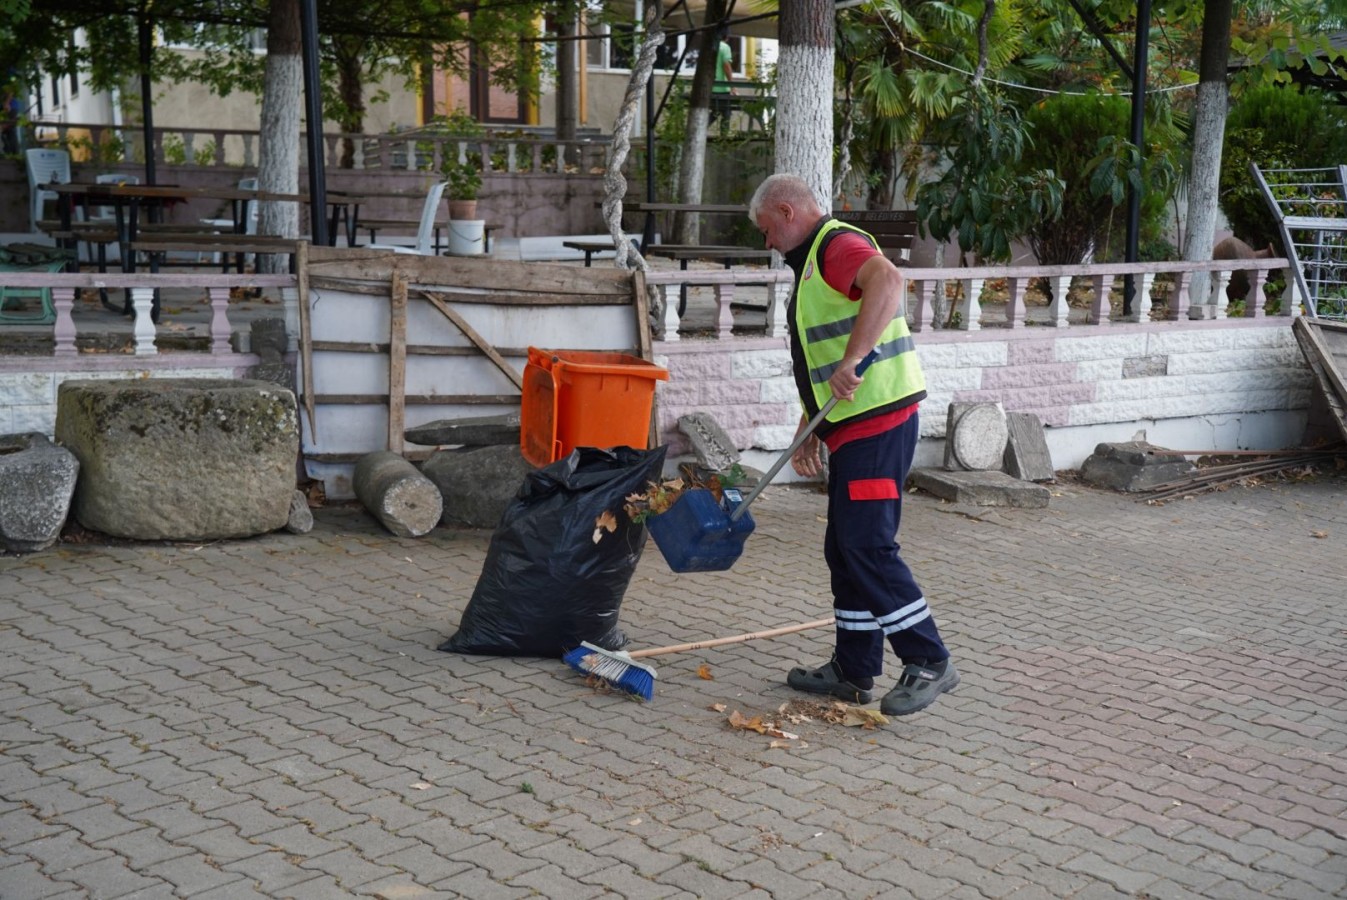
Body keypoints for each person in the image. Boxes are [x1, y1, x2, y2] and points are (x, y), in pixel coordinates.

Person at [747, 173, 959, 716]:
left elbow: (888, 281)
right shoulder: (817, 260)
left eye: (768, 230)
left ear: (788, 212)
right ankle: (853, 668)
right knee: (843, 547)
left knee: (867, 544)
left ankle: (929, 659)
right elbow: (824, 358)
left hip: (877, 420)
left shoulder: (836, 246)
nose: (767, 244)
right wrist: (809, 425)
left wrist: (851, 362)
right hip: (852, 422)